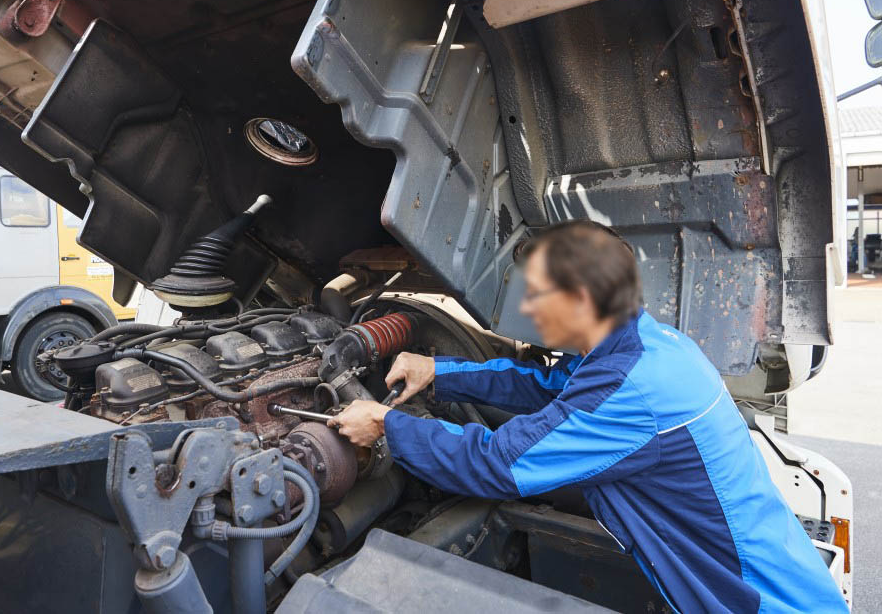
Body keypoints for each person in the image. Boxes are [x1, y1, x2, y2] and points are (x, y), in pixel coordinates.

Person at [328, 220, 847, 613]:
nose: (527, 310)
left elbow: (497, 464)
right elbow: (546, 387)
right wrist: (442, 371)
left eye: (537, 295)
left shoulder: (633, 389)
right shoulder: (644, 344)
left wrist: (386, 424)